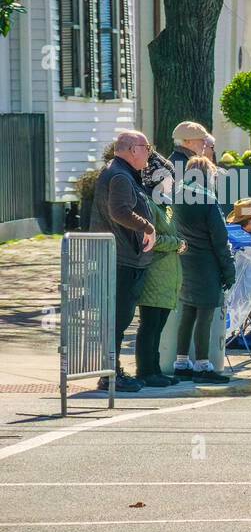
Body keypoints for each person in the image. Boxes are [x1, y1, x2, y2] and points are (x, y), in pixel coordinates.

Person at [89, 131, 158, 392]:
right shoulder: (119, 175)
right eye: (146, 147)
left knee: (119, 319)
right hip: (120, 259)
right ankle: (109, 375)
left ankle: (111, 372)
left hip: (124, 258)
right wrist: (148, 227)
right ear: (132, 149)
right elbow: (119, 211)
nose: (149, 153)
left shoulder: (122, 172)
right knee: (117, 320)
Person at [172, 156, 234, 384]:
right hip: (206, 265)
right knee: (205, 316)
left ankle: (181, 362)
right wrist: (229, 271)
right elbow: (220, 240)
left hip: (183, 262)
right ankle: (202, 365)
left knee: (187, 313)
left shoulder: (175, 197)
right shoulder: (208, 200)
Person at [136, 155, 186, 388]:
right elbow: (151, 240)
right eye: (168, 178)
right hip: (155, 274)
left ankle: (154, 369)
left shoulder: (165, 206)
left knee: (158, 326)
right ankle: (146, 370)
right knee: (150, 325)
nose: (172, 182)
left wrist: (177, 242)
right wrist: (177, 243)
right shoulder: (148, 203)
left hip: (167, 275)